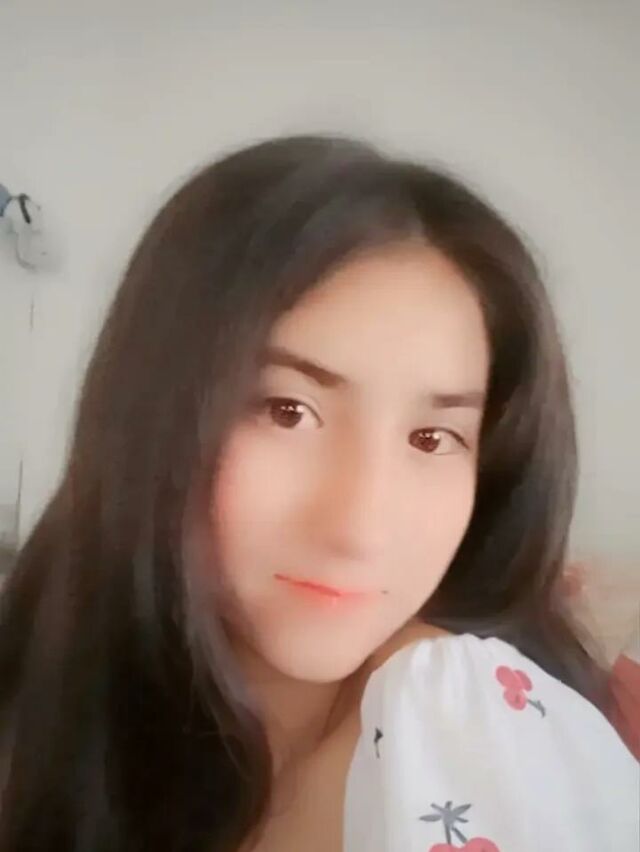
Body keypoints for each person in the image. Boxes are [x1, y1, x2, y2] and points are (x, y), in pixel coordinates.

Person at [0, 135, 636, 852]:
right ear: (153, 406)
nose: (360, 528)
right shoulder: (50, 691)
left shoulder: (466, 734)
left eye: (432, 438)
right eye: (286, 411)